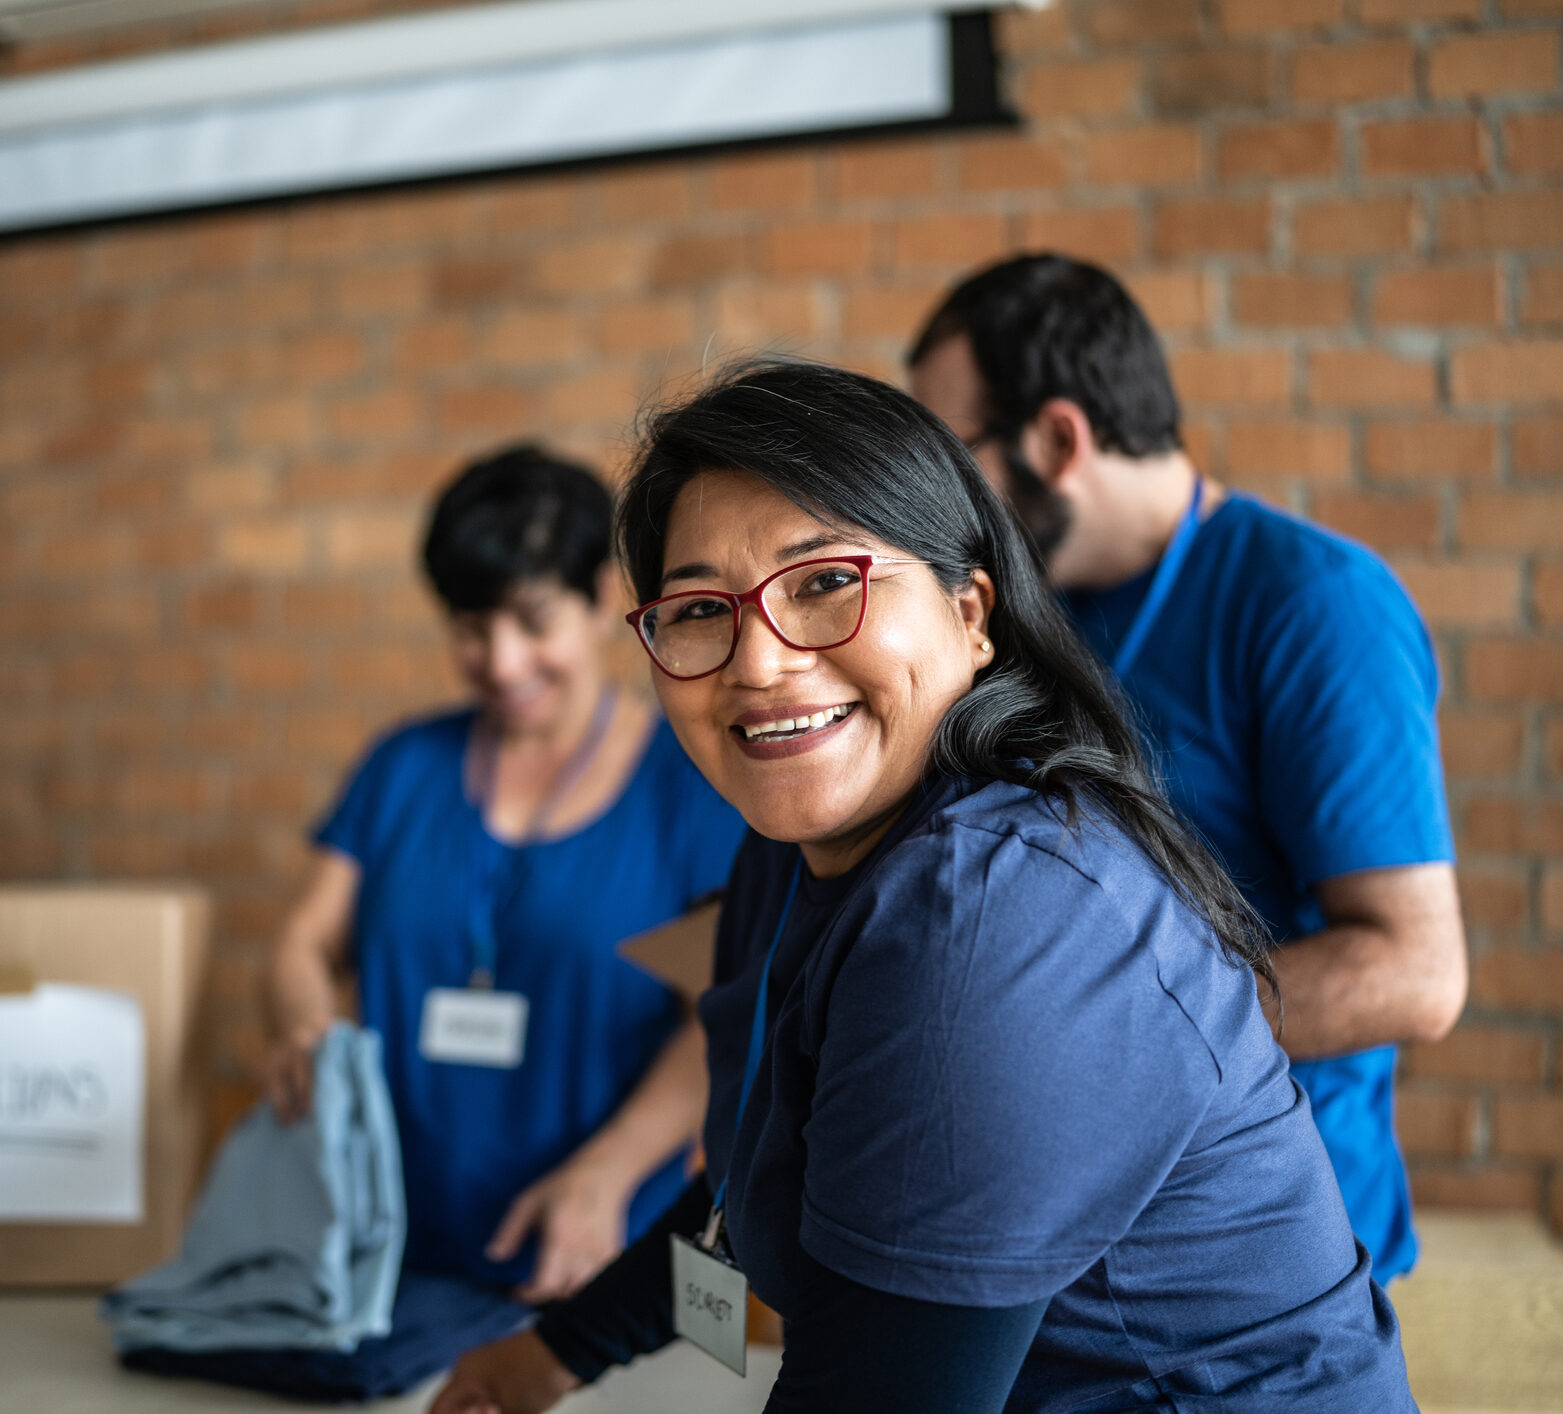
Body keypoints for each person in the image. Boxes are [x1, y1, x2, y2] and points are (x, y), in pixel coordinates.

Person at [430, 361, 1416, 1414]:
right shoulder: (790, 853)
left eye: (824, 583)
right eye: (701, 607)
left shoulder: (1002, 914)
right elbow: (773, 1186)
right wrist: (562, 1351)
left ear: (971, 613)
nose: (759, 662)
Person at [908, 254, 1467, 1284]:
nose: (944, 508)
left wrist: (1078, 1040)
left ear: (1059, 438)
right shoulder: (1027, 609)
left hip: (1268, 1255)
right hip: (1063, 1223)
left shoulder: (1313, 602)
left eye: (958, 459)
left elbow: (1414, 972)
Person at [263, 444, 747, 1304]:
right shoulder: (402, 766)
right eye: (470, 625)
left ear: (602, 597)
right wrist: (305, 1025)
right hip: (390, 1250)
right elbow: (305, 940)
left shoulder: (685, 787)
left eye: (531, 620)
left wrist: (604, 1174)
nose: (501, 660)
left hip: (592, 1260)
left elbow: (720, 1020)